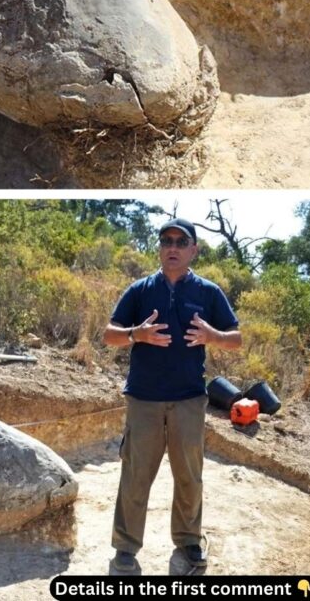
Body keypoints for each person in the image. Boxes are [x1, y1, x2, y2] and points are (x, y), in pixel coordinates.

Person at [102, 217, 242, 572]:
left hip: (189, 401)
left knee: (189, 475)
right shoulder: (139, 290)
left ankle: (189, 542)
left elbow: (236, 340)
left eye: (182, 242)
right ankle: (125, 548)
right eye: (167, 241)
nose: (173, 247)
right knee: (135, 475)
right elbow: (109, 334)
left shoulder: (209, 293)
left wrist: (213, 335)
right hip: (143, 400)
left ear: (194, 249)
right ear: (160, 248)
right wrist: (137, 334)